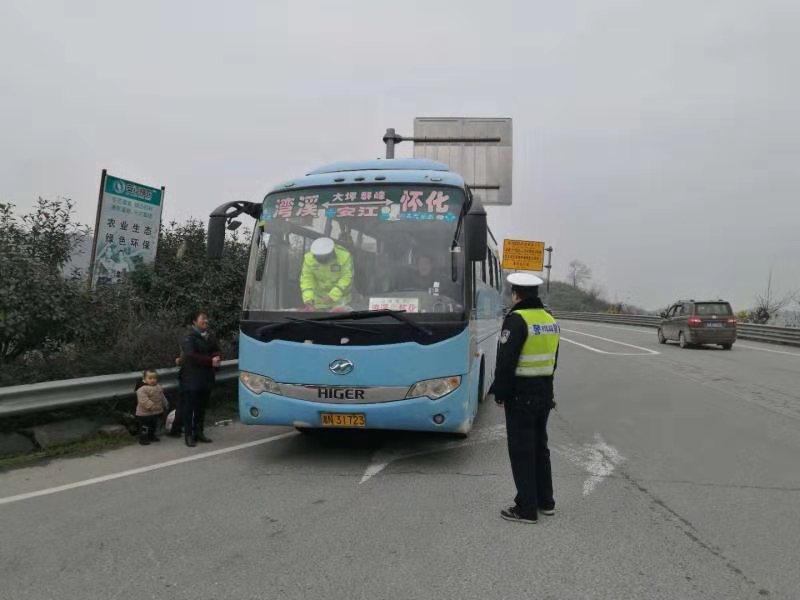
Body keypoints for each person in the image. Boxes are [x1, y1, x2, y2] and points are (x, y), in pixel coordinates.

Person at [489, 273, 560, 524]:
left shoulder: (517, 319)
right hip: (544, 394)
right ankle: (546, 502)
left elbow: (506, 361)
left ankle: (526, 508)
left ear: (515, 294)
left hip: (521, 396)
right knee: (540, 448)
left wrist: (501, 393)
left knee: (521, 451)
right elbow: (553, 361)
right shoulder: (550, 320)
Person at [180, 311, 222, 447]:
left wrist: (217, 357)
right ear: (194, 322)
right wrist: (210, 361)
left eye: (206, 318)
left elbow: (216, 349)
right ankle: (188, 435)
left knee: (201, 407)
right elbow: (191, 355)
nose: (206, 321)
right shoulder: (189, 337)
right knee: (190, 408)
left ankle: (199, 432)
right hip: (191, 378)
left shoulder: (209, 336)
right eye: (203, 319)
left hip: (206, 377)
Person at [299, 237, 353, 311]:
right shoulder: (309, 259)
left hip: (341, 302)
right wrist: (308, 299)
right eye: (319, 257)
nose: (322, 259)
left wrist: (333, 296)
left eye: (324, 257)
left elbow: (347, 278)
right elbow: (306, 279)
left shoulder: (344, 256)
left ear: (332, 253)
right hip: (318, 303)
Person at [135, 368, 168, 446]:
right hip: (144, 413)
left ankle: (152, 436)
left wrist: (165, 403)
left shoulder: (158, 387)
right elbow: (143, 399)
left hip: (155, 412)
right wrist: (151, 405)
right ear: (145, 379)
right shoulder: (142, 388)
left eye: (154, 378)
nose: (152, 380)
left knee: (153, 425)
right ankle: (143, 438)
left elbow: (161, 396)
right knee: (145, 427)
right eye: (150, 378)